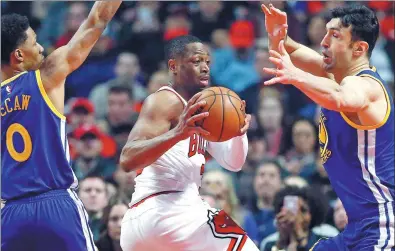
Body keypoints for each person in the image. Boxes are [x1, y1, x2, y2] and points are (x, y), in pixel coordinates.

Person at [261, 4, 394, 250]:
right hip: (357, 227)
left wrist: (295, 76)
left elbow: (341, 99)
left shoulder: (367, 86)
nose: (323, 42)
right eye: (325, 33)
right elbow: (283, 54)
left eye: (334, 36)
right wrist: (278, 35)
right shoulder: (335, 77)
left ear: (359, 48)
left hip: (383, 225)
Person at [119, 35, 259, 251]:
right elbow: (128, 159)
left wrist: (239, 133)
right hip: (168, 210)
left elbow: (234, 163)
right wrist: (178, 133)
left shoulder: (204, 109)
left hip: (148, 226)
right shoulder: (165, 101)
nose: (205, 68)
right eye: (196, 61)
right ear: (173, 66)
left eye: (207, 62)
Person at [1, 2, 122, 251]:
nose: (42, 47)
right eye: (34, 43)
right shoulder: (46, 77)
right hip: (55, 203)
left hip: (11, 214)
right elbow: (96, 20)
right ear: (19, 55)